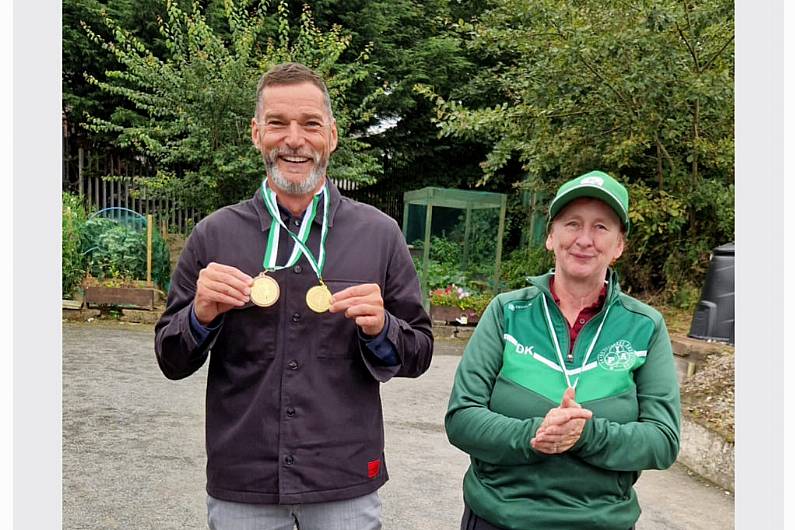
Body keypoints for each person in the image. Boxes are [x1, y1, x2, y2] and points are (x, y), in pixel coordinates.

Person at [155, 62, 433, 530]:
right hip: (244, 481)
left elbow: (419, 352)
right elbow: (170, 358)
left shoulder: (379, 235)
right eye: (278, 124)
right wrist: (200, 315)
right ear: (256, 132)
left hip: (344, 480)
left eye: (310, 124)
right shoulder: (213, 236)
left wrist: (382, 328)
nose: (294, 140)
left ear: (333, 135)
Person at [445, 170, 681, 530]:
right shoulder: (507, 312)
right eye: (572, 223)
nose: (584, 239)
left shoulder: (645, 326)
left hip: (600, 521)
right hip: (499, 517)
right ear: (551, 237)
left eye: (601, 227)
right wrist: (536, 435)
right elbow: (462, 418)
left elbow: (663, 441)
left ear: (619, 246)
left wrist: (585, 435)